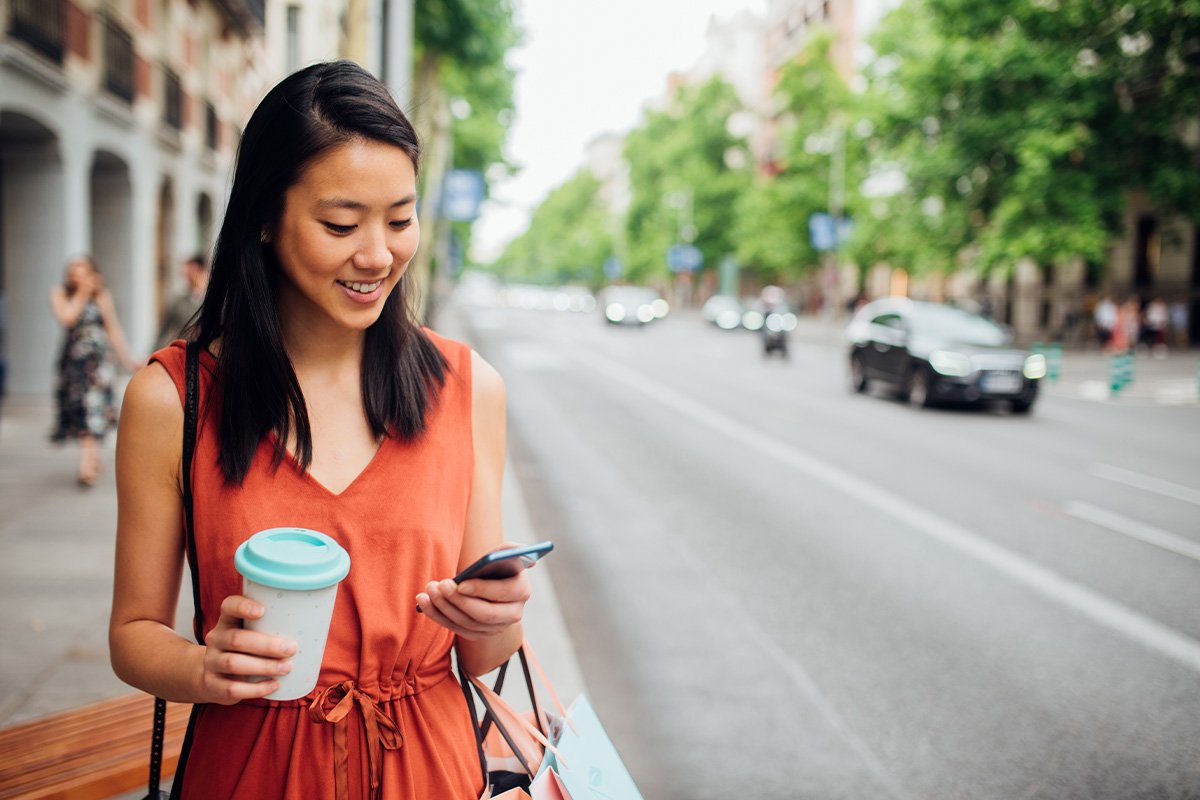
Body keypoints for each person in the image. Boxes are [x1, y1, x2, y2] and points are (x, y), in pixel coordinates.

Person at [109, 61, 529, 799]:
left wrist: (497, 617)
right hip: (250, 768)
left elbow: (480, 657)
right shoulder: (173, 399)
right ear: (266, 217)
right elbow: (134, 632)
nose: (377, 255)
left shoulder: (469, 388)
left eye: (400, 220)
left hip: (431, 771)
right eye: (341, 224)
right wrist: (204, 668)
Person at [48, 255, 137, 486]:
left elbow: (113, 328)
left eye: (82, 271)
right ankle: (92, 458)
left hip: (98, 365)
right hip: (74, 365)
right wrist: (83, 293)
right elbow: (67, 318)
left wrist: (127, 361)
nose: (78, 276)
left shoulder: (102, 295)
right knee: (82, 410)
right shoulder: (60, 293)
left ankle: (87, 465)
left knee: (94, 409)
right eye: (74, 272)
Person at [155, 253, 209, 349]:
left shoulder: (216, 302)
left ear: (200, 270)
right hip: (182, 355)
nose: (186, 275)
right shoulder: (178, 304)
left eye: (190, 270)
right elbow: (163, 333)